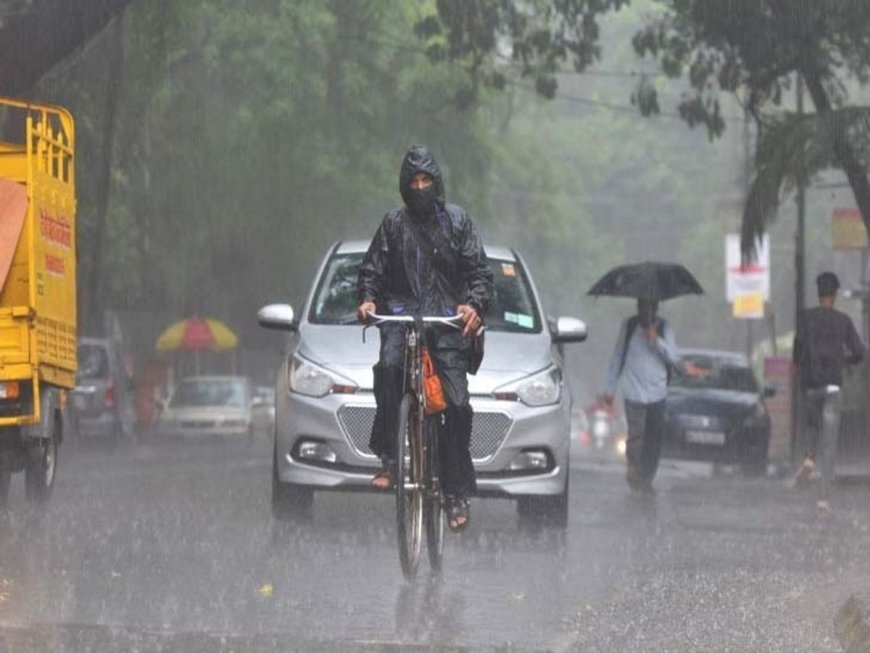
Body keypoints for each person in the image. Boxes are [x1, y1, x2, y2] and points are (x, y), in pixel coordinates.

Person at [357, 144, 492, 532]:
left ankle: (455, 493)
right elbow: (372, 270)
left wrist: (472, 305)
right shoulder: (393, 225)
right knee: (388, 368)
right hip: (401, 316)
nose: (420, 187)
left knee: (458, 406)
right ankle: (388, 457)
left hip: (447, 321)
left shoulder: (458, 222)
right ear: (404, 185)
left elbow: (480, 273)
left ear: (436, 182)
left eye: (425, 180)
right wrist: (367, 300)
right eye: (413, 181)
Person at [602, 298, 696, 495]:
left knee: (653, 439)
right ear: (638, 308)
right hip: (633, 392)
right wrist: (609, 389)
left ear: (656, 308)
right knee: (636, 436)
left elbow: (674, 358)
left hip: (657, 393)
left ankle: (646, 477)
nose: (646, 312)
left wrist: (656, 340)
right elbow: (617, 357)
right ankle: (634, 471)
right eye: (642, 307)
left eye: (650, 308)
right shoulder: (629, 327)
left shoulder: (664, 328)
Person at [791, 271, 865, 511]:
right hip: (833, 385)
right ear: (834, 296)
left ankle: (809, 459)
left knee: (812, 426)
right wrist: (845, 359)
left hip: (811, 385)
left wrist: (799, 367)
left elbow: (797, 349)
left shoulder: (805, 318)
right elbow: (860, 352)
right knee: (830, 441)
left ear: (819, 293)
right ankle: (824, 496)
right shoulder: (843, 321)